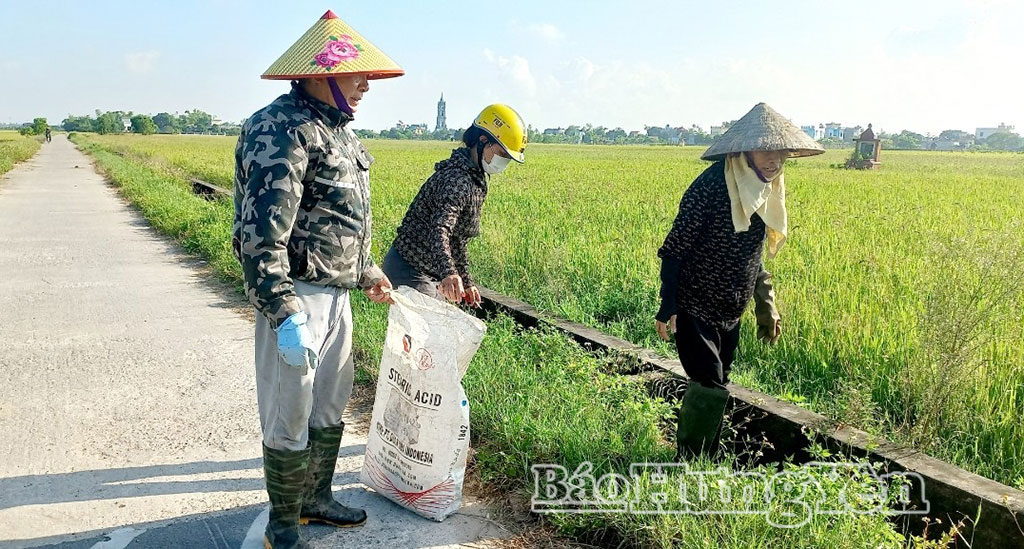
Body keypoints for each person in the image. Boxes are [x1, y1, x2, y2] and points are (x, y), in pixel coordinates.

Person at [232, 10, 403, 549]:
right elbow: (261, 234)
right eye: (355, 73)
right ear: (317, 74)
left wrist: (367, 270)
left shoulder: (339, 133)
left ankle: (316, 499)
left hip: (337, 296)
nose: (365, 84)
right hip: (296, 297)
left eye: (366, 74)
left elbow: (337, 220)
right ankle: (283, 526)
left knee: (329, 406)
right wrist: (282, 311)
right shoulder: (280, 128)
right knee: (290, 412)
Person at [655, 103, 824, 459]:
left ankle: (704, 454)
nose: (774, 160)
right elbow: (674, 249)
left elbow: (753, 256)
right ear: (744, 151)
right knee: (709, 382)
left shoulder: (766, 190)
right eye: (765, 151)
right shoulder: (711, 186)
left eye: (781, 152)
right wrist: (667, 305)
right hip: (695, 302)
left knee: (720, 380)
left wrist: (767, 306)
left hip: (732, 308)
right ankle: (692, 462)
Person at [383, 105, 526, 305]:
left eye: (507, 158)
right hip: (410, 267)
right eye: (502, 153)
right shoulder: (457, 179)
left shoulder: (474, 178)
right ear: (483, 141)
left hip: (429, 270)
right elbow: (439, 229)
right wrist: (450, 273)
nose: (503, 162)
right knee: (433, 322)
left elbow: (458, 239)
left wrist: (466, 281)